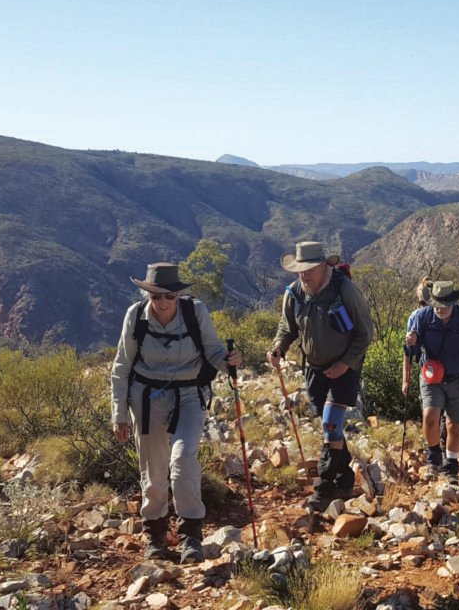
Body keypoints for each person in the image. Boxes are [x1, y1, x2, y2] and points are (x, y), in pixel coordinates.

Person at [111, 261, 241, 563]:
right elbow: (121, 368)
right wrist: (119, 414)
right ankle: (155, 536)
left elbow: (213, 351)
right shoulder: (135, 317)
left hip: (189, 394)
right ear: (148, 296)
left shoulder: (195, 313)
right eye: (156, 296)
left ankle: (190, 536)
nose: (163, 303)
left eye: (169, 296)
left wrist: (230, 362)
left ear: (178, 295)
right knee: (153, 470)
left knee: (183, 460)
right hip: (147, 398)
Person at [267, 240, 374, 516]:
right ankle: (344, 480)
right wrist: (279, 347)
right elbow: (287, 327)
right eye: (300, 270)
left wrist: (345, 364)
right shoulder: (294, 294)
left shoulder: (344, 290)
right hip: (313, 369)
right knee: (332, 429)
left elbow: (365, 333)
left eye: (309, 269)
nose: (304, 275)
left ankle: (323, 487)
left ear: (324, 267)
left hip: (344, 369)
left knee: (329, 425)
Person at [405, 281, 459, 481]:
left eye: (445, 305)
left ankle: (451, 466)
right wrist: (411, 344)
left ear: (454, 302)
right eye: (436, 304)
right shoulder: (423, 317)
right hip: (431, 375)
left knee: (455, 426)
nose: (440, 309)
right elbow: (411, 352)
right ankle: (434, 458)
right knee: (430, 416)